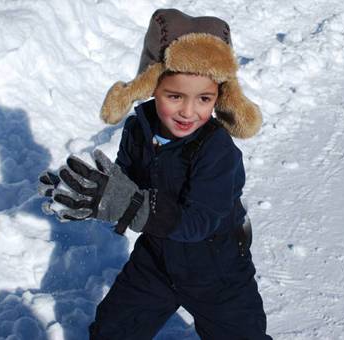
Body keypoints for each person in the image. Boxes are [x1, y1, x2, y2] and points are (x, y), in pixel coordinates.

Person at [38, 8, 271, 340]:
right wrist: (94, 197)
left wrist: (130, 206)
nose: (188, 111)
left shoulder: (217, 150)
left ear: (221, 96)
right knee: (111, 331)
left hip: (216, 270)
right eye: (175, 96)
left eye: (204, 98)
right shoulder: (138, 129)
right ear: (152, 86)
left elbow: (199, 221)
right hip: (156, 263)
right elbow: (127, 184)